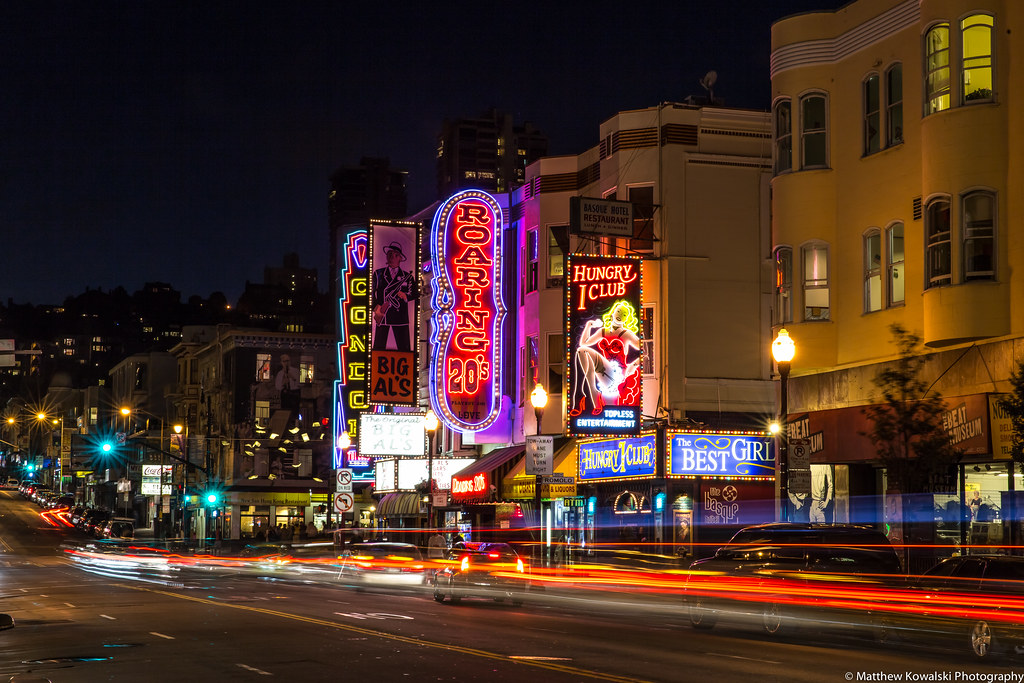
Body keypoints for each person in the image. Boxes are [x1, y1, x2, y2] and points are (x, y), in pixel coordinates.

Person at [569, 300, 642, 417]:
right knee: (581, 351)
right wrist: (589, 325)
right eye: (618, 311)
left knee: (586, 360)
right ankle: (582, 394)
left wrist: (633, 366)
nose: (619, 315)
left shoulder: (627, 334)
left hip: (617, 374)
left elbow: (646, 351)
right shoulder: (602, 331)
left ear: (626, 319)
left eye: (624, 314)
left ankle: (587, 396)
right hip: (603, 370)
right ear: (612, 313)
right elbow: (583, 343)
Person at [371, 241, 417, 352]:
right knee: (378, 348)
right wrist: (376, 307)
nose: (392, 257)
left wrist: (404, 296)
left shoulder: (407, 276)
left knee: (404, 349)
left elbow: (414, 293)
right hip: (383, 314)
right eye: (390, 254)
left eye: (396, 255)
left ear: (400, 258)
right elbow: (371, 292)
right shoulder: (379, 274)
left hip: (400, 316)